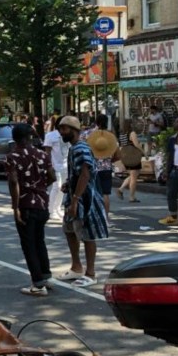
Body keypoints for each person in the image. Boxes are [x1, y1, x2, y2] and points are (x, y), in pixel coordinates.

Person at [57, 116, 108, 287]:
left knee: (86, 234)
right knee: (70, 230)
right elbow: (79, 174)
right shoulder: (74, 148)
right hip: (74, 197)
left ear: (74, 130)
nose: (61, 132)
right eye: (60, 128)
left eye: (64, 129)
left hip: (85, 199)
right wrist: (68, 184)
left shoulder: (80, 148)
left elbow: (86, 174)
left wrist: (76, 199)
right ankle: (76, 267)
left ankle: (91, 273)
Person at [6, 124, 56, 297]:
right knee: (39, 240)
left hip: (26, 204)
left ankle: (37, 284)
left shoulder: (13, 156)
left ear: (15, 138)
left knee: (29, 244)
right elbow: (52, 176)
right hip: (42, 203)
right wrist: (39, 188)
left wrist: (15, 207)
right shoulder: (43, 154)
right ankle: (45, 275)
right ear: (29, 136)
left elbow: (14, 182)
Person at [82, 113, 118, 218]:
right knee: (105, 194)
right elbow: (118, 154)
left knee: (91, 192)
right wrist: (110, 160)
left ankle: (92, 216)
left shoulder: (87, 134)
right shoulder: (110, 136)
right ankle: (105, 218)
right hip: (106, 168)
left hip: (91, 167)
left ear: (95, 122)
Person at [42, 115, 68, 219]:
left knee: (63, 188)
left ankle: (58, 208)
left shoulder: (67, 135)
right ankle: (51, 210)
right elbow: (47, 152)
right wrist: (48, 166)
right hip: (55, 165)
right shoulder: (51, 136)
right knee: (56, 187)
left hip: (66, 165)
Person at [117, 122, 143, 203]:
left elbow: (121, 145)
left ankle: (121, 189)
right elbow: (136, 144)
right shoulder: (132, 133)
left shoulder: (122, 134)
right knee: (134, 177)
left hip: (126, 154)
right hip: (133, 155)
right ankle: (132, 197)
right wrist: (143, 152)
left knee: (133, 174)